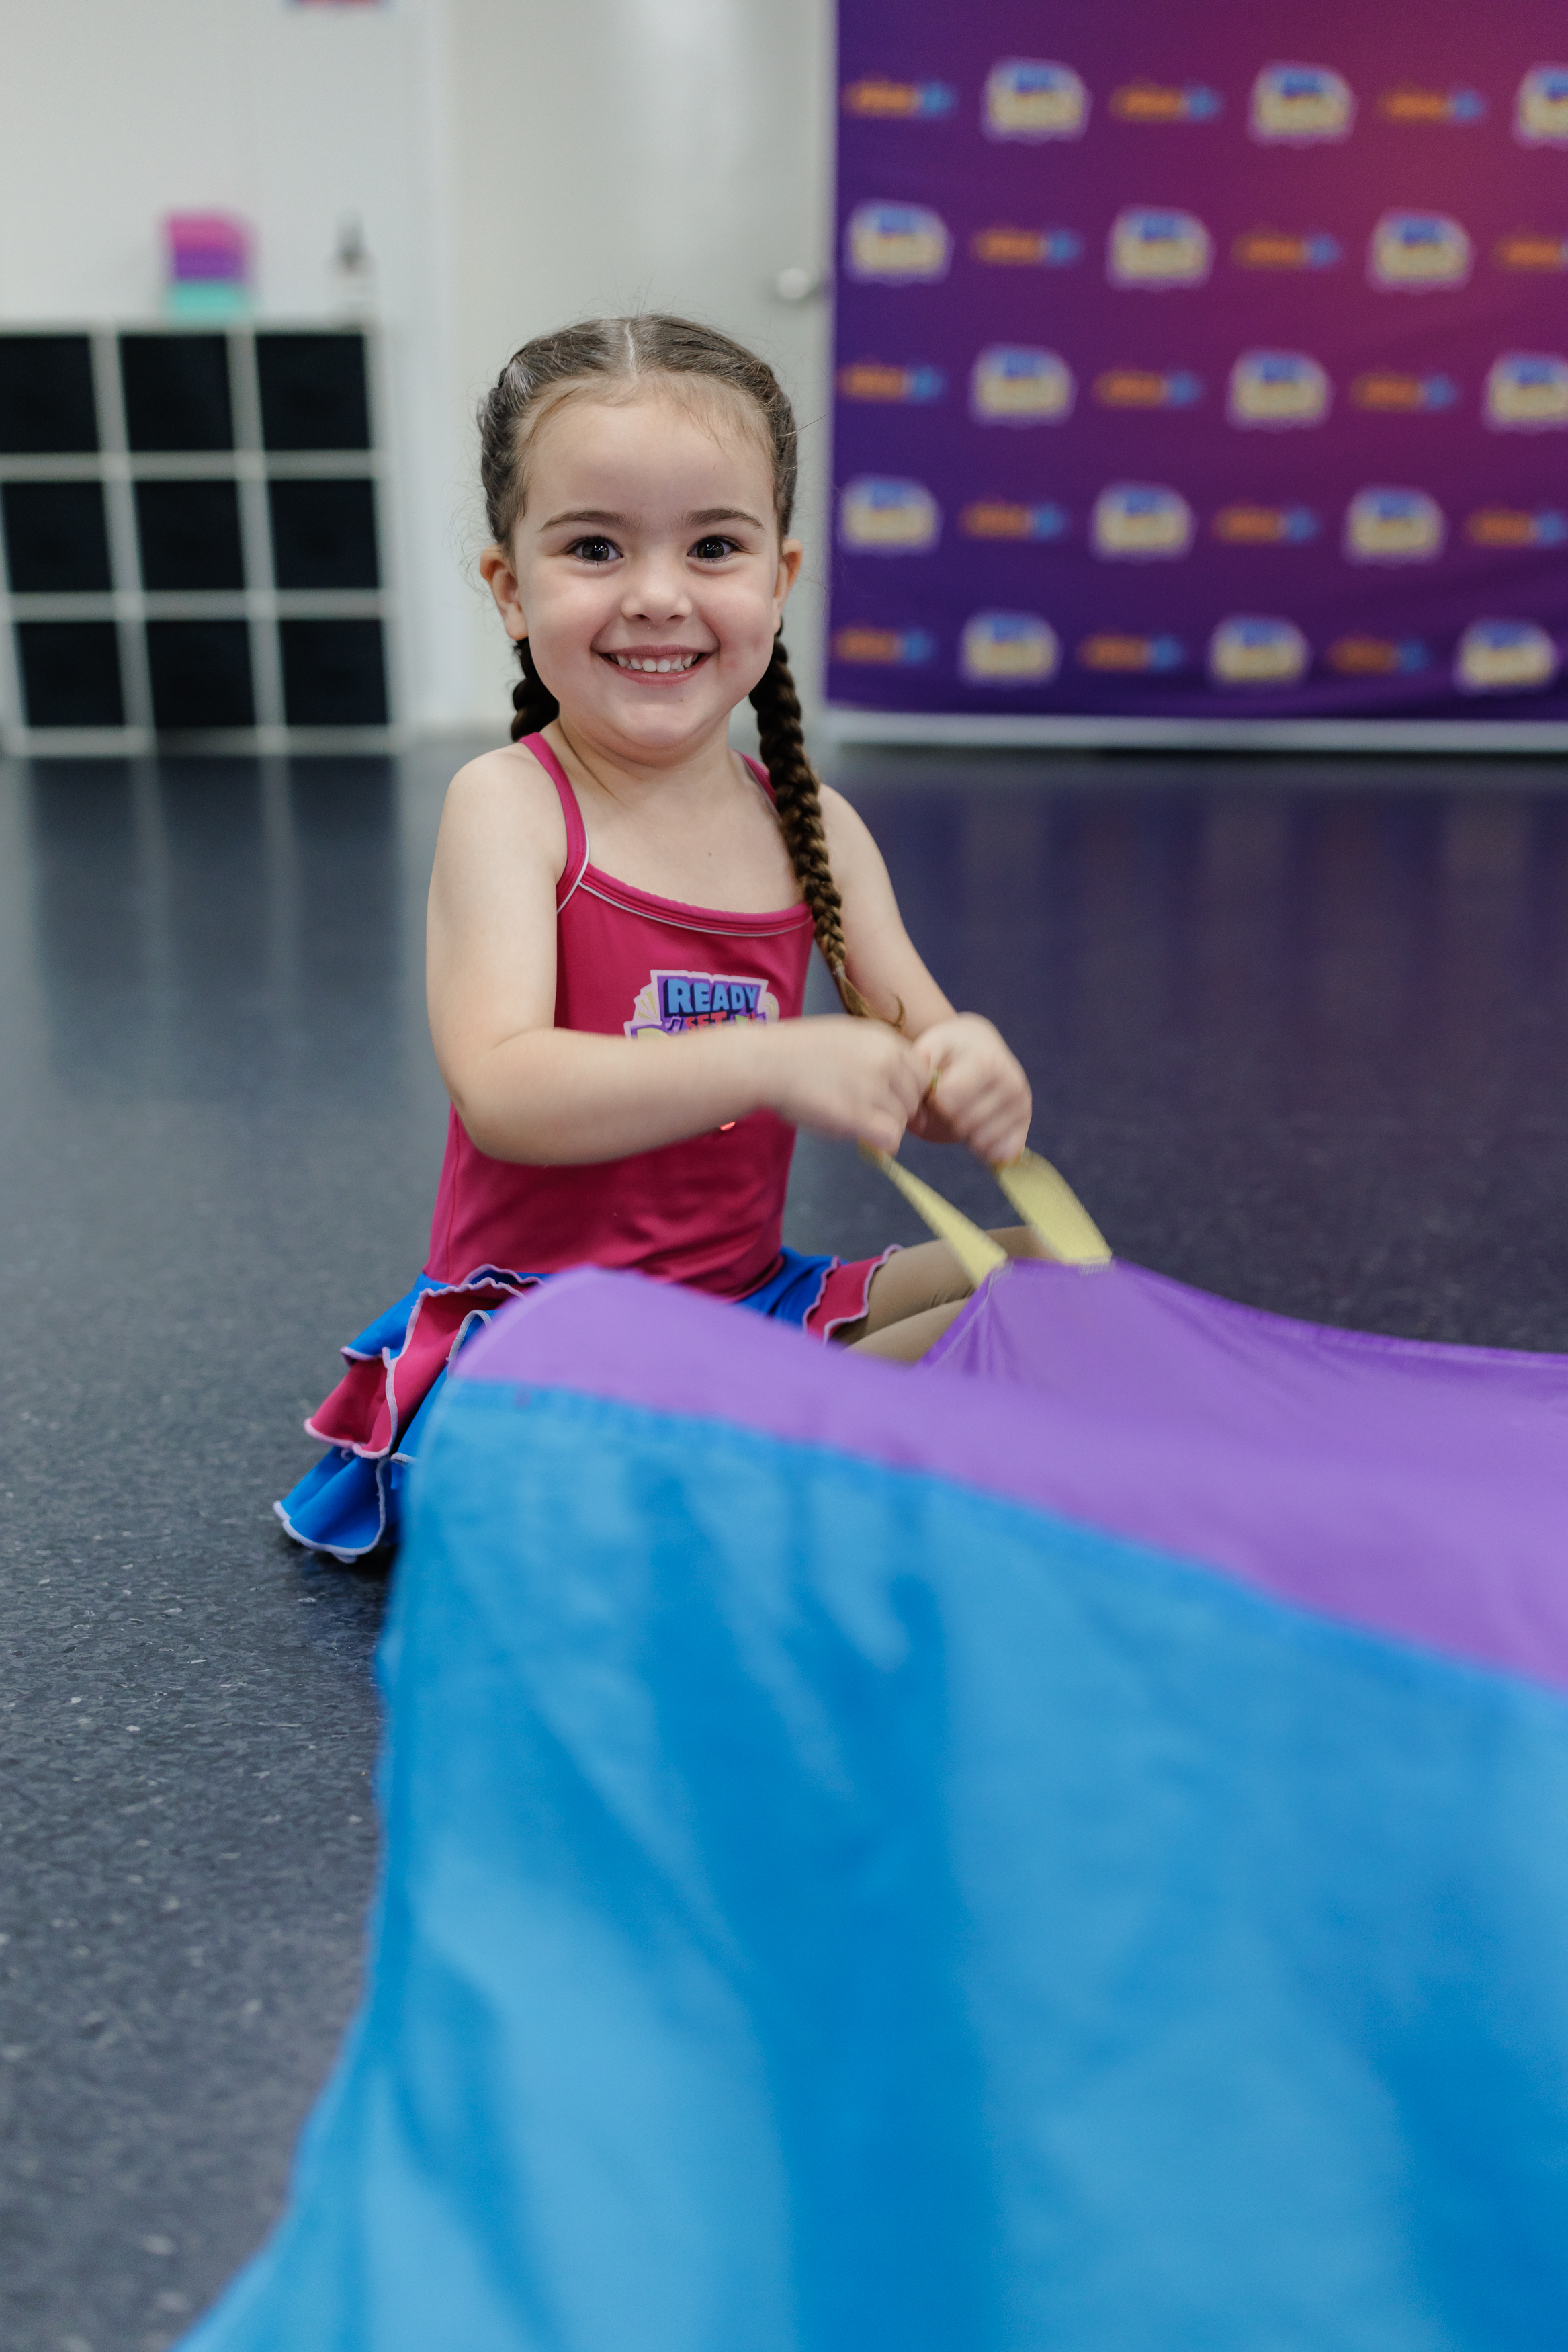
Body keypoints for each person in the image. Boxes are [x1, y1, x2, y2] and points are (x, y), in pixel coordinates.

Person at [277, 314, 1039, 1561]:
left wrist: (968, 1071)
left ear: (778, 580)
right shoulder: (510, 806)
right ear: (511, 590)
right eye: (592, 546)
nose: (656, 595)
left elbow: (919, 1059)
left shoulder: (812, 827)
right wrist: (770, 1058)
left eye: (714, 545)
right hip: (552, 1348)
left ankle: (801, 1451)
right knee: (916, 1393)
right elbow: (506, 1090)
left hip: (742, 1306)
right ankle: (811, 1466)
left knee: (1046, 1284)